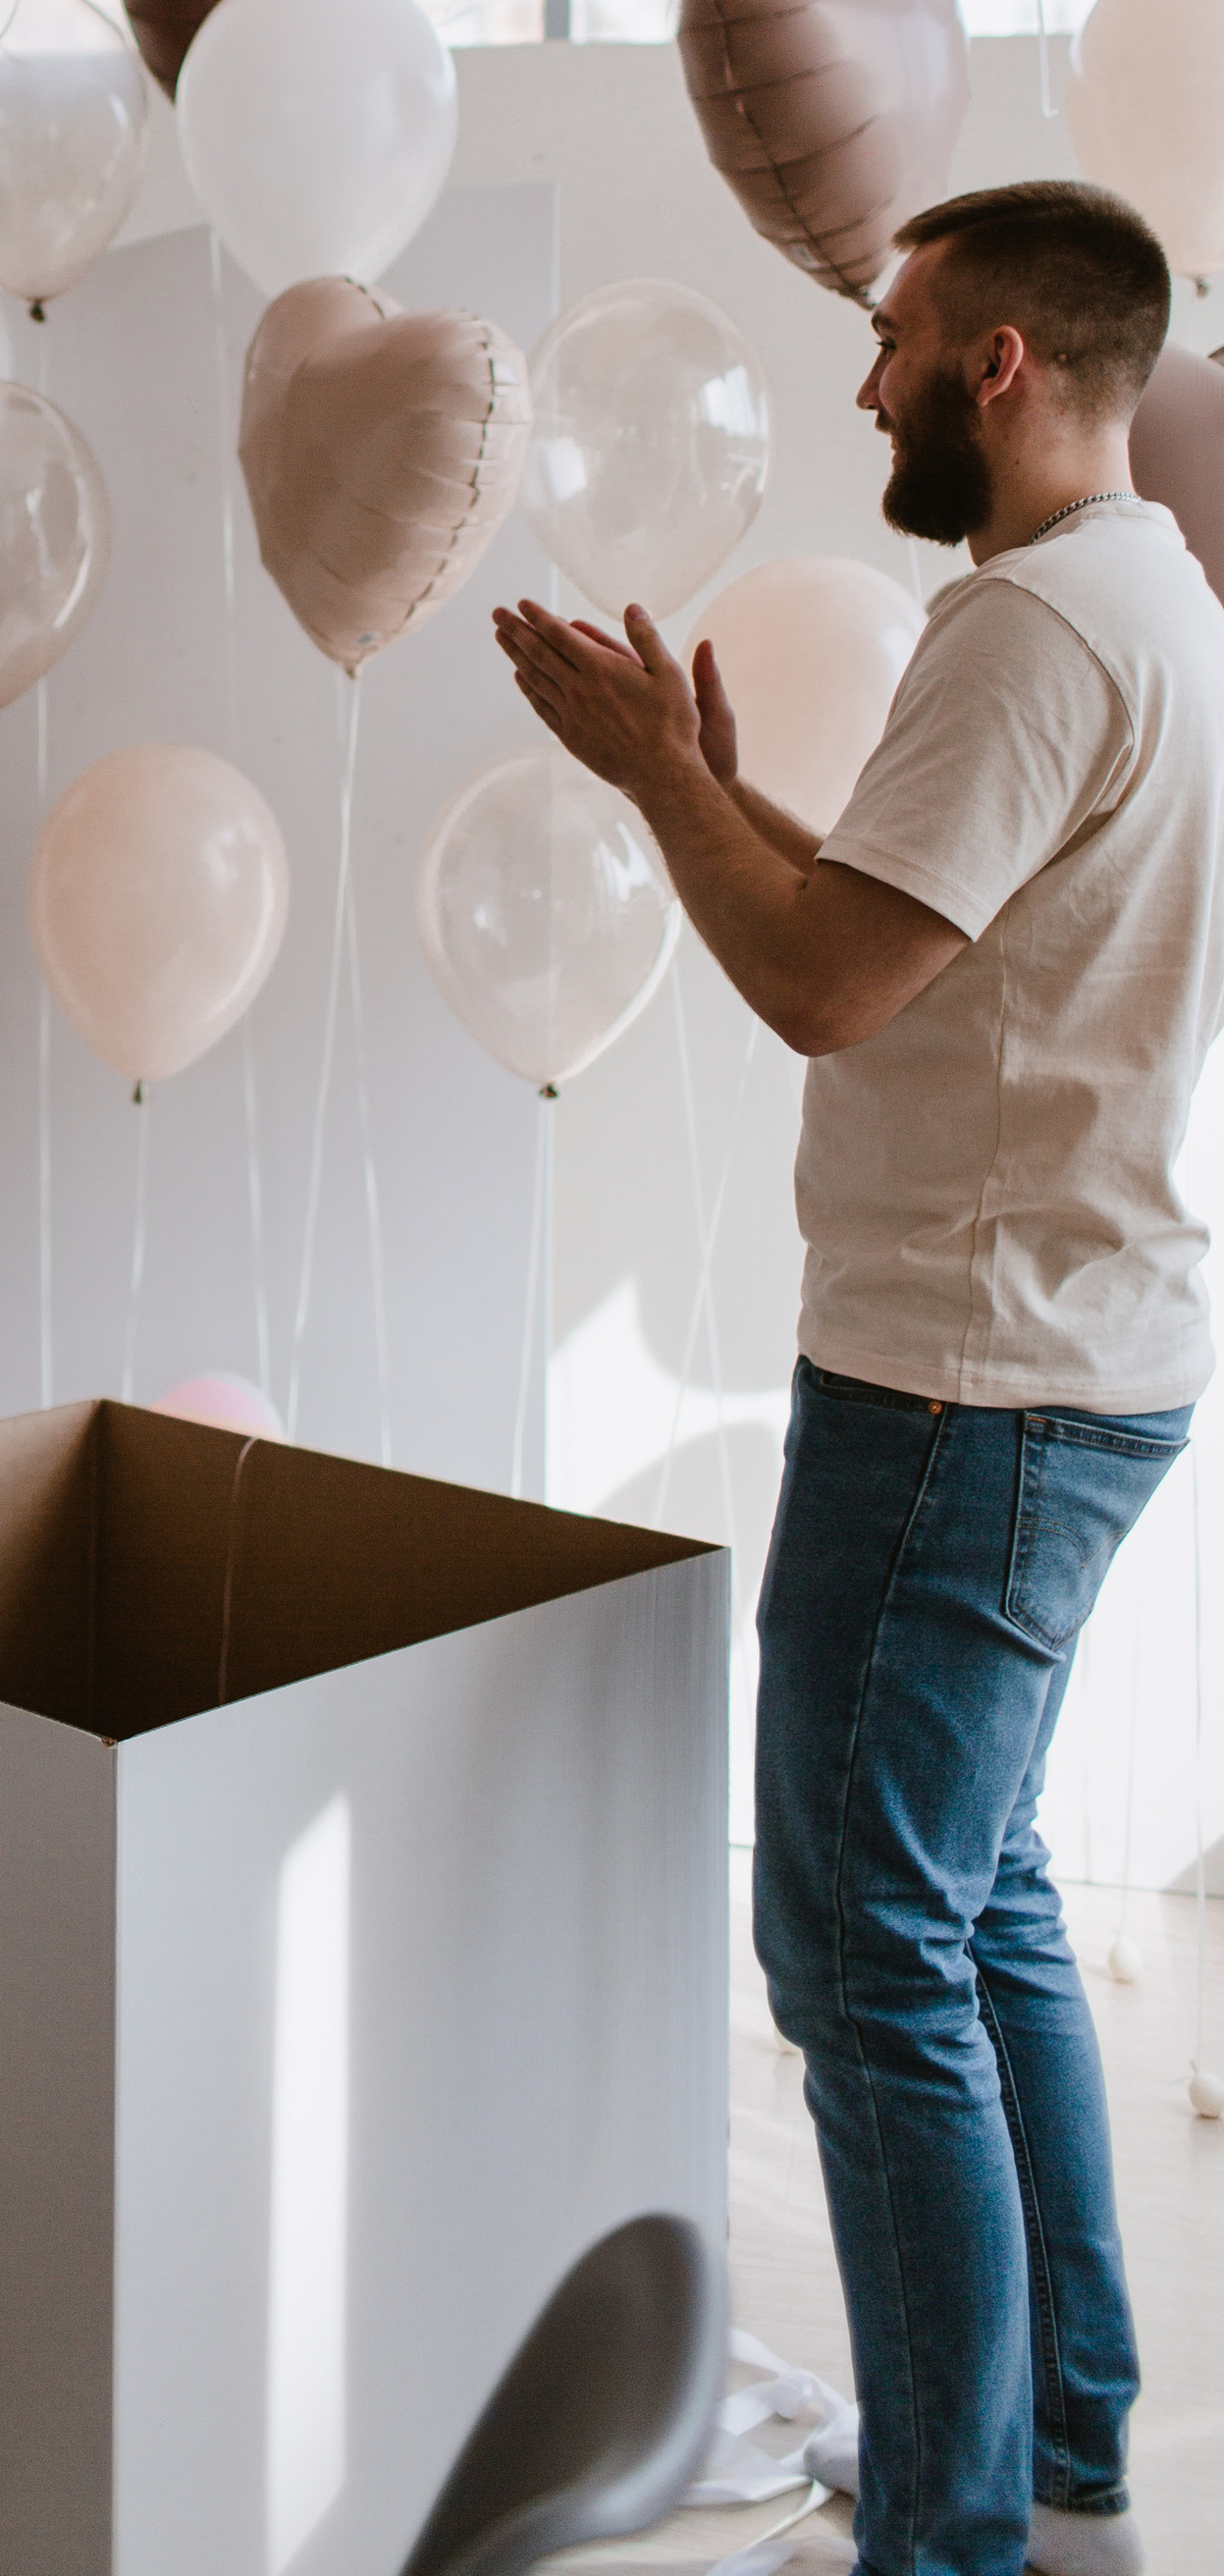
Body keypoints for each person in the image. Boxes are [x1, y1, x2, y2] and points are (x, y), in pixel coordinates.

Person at [492, 182, 1224, 2576]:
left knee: (856, 1949)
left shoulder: (1028, 627)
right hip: (1058, 1362)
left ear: (996, 360)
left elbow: (818, 985)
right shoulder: (1148, 603)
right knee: (978, 1897)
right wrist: (711, 787)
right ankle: (1065, 2429)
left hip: (958, 1393)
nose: (860, 380)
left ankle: (942, 2532)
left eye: (892, 336)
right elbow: (909, 925)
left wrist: (642, 778)